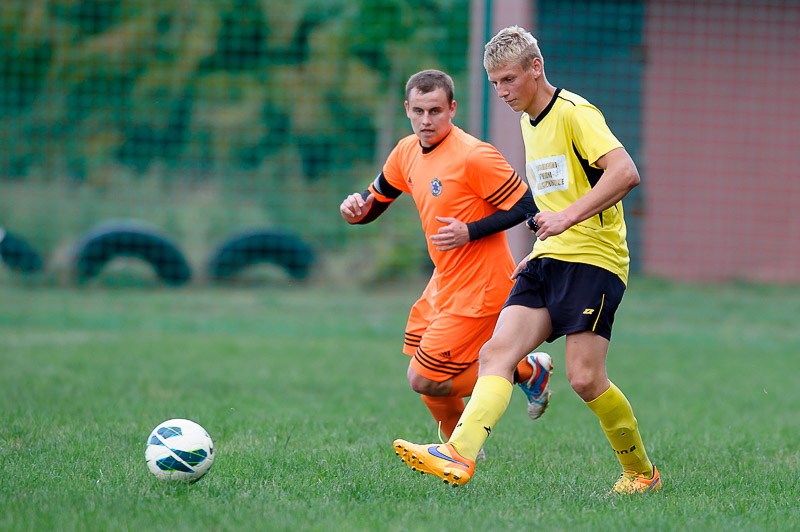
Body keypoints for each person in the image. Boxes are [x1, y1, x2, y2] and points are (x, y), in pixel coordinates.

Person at [392, 27, 661, 495]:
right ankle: (459, 453)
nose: (501, 92)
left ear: (536, 68)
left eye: (509, 80)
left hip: (594, 259)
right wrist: (537, 250)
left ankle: (641, 474)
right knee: (496, 353)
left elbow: (625, 172)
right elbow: (558, 194)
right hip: (548, 258)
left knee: (585, 379)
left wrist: (565, 219)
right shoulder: (527, 122)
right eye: (494, 83)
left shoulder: (576, 113)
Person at [340, 69, 552, 449]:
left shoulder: (473, 156)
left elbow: (526, 205)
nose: (427, 120)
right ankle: (460, 451)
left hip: (482, 286)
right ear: (407, 109)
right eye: (419, 111)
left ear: (452, 109)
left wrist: (469, 231)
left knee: (422, 377)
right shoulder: (406, 151)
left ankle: (524, 369)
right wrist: (356, 210)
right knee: (428, 378)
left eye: (435, 111)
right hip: (444, 282)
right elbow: (376, 200)